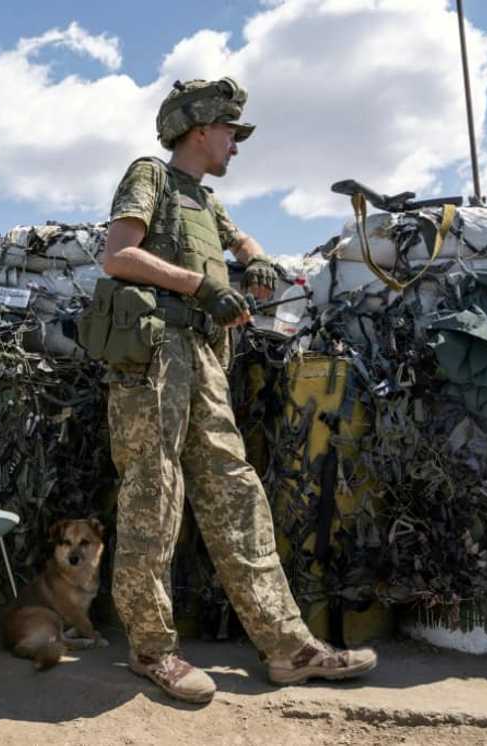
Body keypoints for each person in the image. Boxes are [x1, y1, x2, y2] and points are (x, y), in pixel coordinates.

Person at [101, 77, 378, 704]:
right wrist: (201, 288)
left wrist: (252, 259)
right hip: (153, 363)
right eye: (230, 132)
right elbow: (118, 254)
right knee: (154, 496)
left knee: (236, 493)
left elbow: (239, 238)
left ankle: (287, 647)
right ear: (200, 130)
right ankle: (152, 650)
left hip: (201, 359)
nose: (236, 144)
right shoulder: (152, 177)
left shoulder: (204, 199)